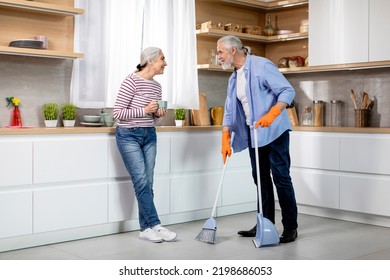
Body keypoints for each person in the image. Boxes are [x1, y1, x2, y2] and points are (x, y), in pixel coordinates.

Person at [217, 35, 298, 243]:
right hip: (254, 134)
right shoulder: (234, 77)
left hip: (274, 132)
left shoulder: (262, 66)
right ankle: (264, 223)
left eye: (220, 53)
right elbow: (229, 109)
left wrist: (272, 114)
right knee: (260, 180)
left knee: (281, 177)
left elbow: (287, 91)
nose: (219, 57)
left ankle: (290, 227)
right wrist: (225, 135)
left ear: (233, 50)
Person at [113, 47, 177, 243]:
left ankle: (145, 229)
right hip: (128, 136)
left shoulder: (156, 87)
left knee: (147, 182)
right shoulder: (130, 81)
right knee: (141, 181)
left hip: (149, 134)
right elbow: (117, 113)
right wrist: (144, 109)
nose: (165, 63)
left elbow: (150, 120)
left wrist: (157, 116)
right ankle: (155, 225)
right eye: (162, 59)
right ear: (150, 61)